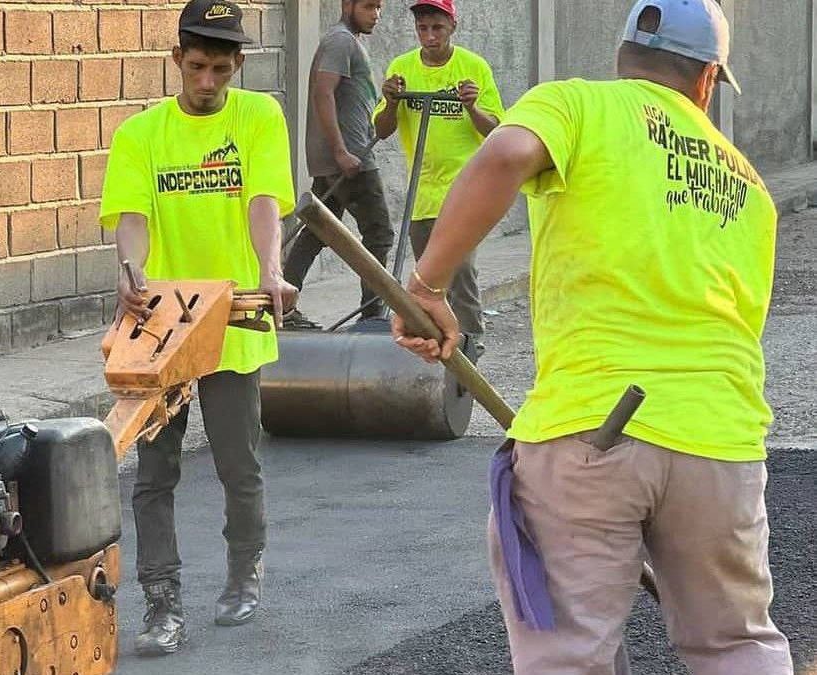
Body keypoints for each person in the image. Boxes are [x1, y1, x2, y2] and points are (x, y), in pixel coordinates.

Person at [392, 0, 794, 673]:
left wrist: (425, 286)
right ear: (706, 80)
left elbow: (506, 154)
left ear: (620, 59)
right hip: (720, 443)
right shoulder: (751, 187)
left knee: (569, 655)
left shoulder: (578, 104)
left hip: (594, 428)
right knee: (736, 645)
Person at [100, 0, 296, 656]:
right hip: (163, 331)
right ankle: (162, 602)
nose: (207, 81)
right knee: (154, 474)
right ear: (175, 61)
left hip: (234, 321)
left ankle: (244, 572)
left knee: (239, 465)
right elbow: (131, 217)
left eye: (219, 68)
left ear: (237, 63)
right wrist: (132, 269)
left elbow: (263, 200)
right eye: (195, 67)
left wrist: (270, 271)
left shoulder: (259, 117)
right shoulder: (141, 135)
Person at [373, 0, 503, 355]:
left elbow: (496, 131)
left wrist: (472, 107)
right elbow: (382, 130)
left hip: (464, 192)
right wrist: (392, 101)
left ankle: (470, 348)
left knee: (461, 275)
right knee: (426, 281)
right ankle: (435, 348)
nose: (429, 37)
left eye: (437, 29)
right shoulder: (402, 68)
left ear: (452, 28)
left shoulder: (473, 68)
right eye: (423, 29)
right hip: (423, 192)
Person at [282, 0, 392, 329]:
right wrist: (341, 151)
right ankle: (373, 316)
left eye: (379, 7)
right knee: (380, 234)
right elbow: (323, 94)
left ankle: (282, 304)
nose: (376, 14)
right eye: (369, 6)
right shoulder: (340, 41)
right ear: (348, 5)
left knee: (316, 232)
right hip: (351, 160)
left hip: (343, 158)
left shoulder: (348, 41)